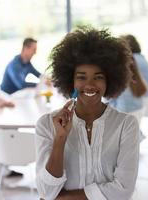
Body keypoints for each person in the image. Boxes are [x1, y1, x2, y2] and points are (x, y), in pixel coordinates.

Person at [35, 27, 140, 200]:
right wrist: (60, 139)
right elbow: (46, 192)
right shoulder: (46, 124)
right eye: (81, 77)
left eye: (98, 77)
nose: (90, 84)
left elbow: (123, 190)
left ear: (109, 80)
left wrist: (61, 199)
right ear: (70, 80)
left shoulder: (126, 124)